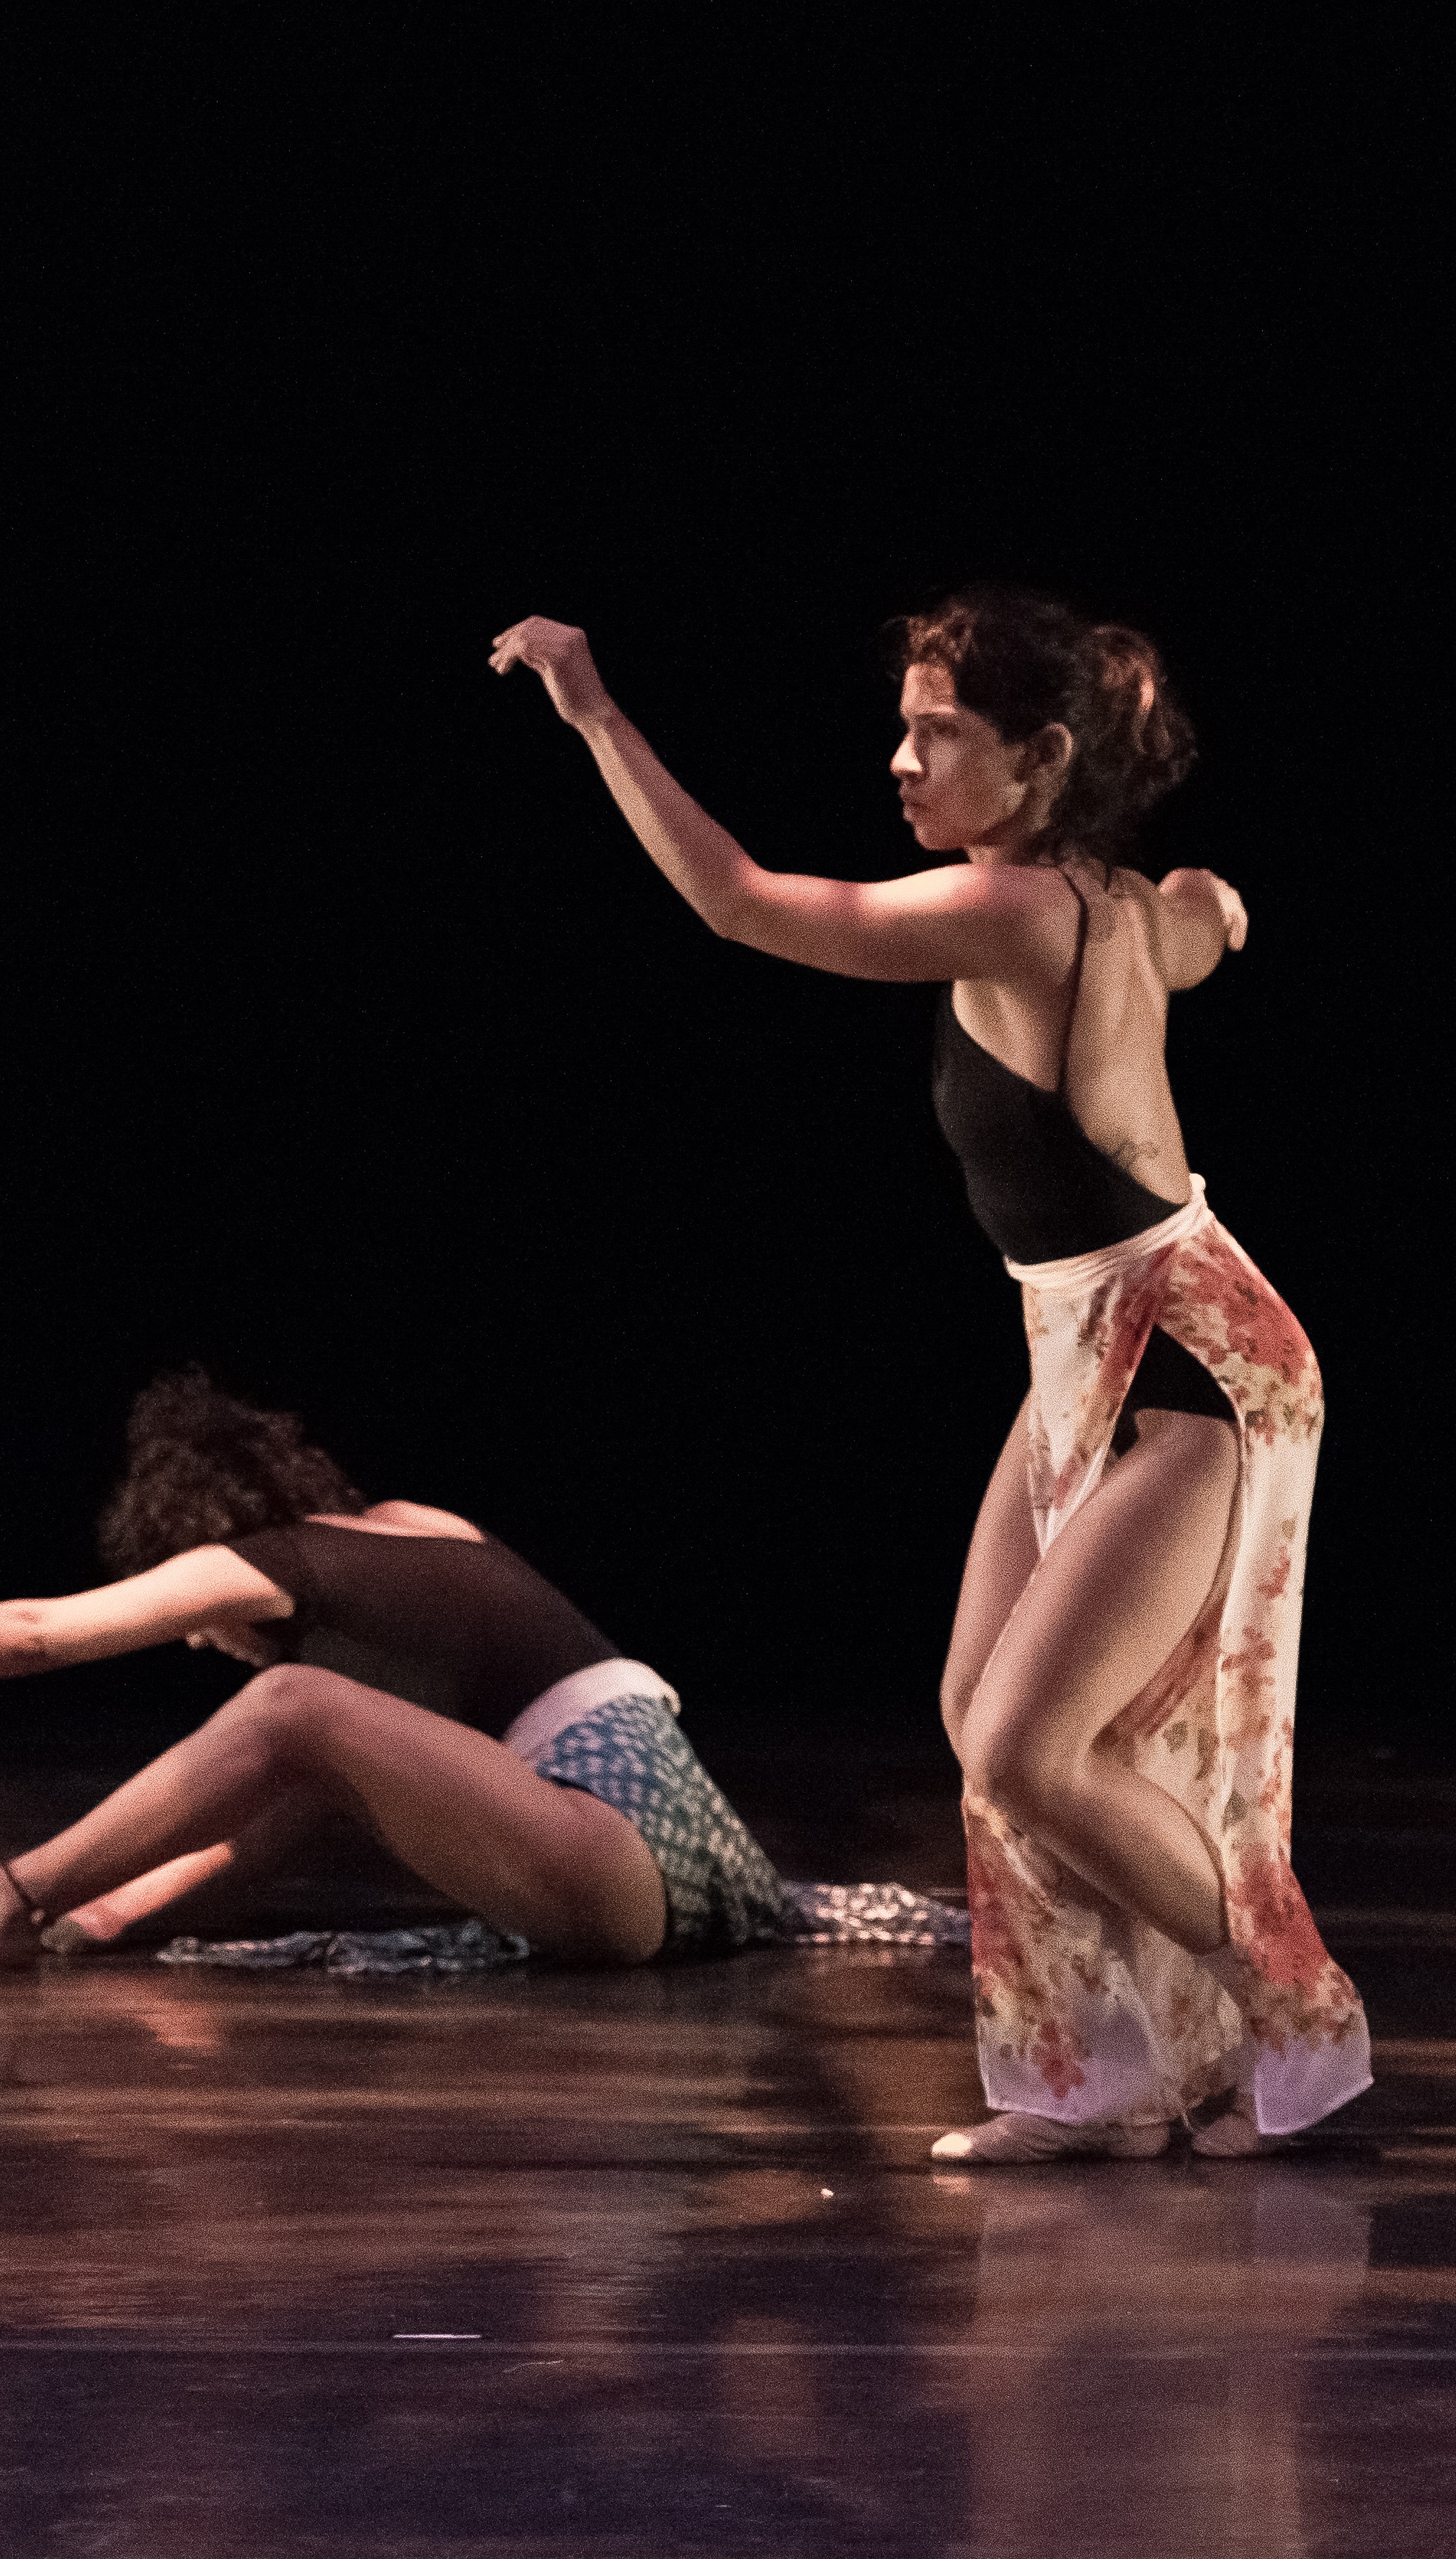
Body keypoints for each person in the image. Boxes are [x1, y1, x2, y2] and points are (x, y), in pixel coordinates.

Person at [487, 590, 1368, 2159]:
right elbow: (1192, 920)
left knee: (1036, 1750)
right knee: (983, 1721)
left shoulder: (1015, 911)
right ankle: (1101, 2081)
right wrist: (1211, 909)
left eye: (932, 732)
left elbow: (741, 904)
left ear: (1034, 761)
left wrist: (594, 717)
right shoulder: (1096, 903)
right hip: (1088, 1339)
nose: (897, 760)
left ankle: (1288, 2005)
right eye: (900, 726)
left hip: (1185, 1354)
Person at [0, 1372, 902, 1971]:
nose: (191, 1632)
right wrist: (103, 1916)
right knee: (316, 1749)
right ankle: (54, 1911)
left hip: (620, 1856)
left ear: (200, 1542)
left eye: (191, 1608)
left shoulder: (268, 1567)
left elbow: (37, 1630)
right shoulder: (426, 1526)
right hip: (668, 1868)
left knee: (286, 1705)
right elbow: (279, 1821)